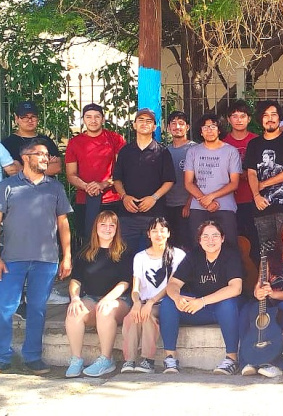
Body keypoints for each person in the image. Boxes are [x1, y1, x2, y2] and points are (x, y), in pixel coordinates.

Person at [0, 138, 72, 375]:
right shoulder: (7, 186)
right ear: (25, 158)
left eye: (47, 155)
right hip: (12, 258)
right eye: (40, 154)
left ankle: (33, 357)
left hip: (46, 260)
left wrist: (67, 256)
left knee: (38, 309)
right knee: (5, 308)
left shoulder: (55, 187)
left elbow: (63, 224)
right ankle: (3, 356)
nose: (46, 158)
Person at [160, 220, 243, 375]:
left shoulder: (230, 255)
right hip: (198, 308)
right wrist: (178, 298)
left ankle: (231, 359)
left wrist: (202, 301)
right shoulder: (194, 255)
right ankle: (170, 359)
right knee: (168, 303)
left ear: (222, 238)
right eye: (205, 236)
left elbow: (236, 288)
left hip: (220, 310)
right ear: (199, 240)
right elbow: (173, 284)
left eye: (215, 236)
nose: (210, 240)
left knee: (228, 304)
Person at [64, 211, 132, 378]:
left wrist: (108, 298)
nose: (107, 229)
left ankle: (106, 359)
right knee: (74, 312)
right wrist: (75, 298)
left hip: (119, 300)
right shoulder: (85, 252)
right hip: (92, 298)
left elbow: (125, 282)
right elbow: (76, 281)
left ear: (117, 229)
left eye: (112, 225)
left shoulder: (124, 251)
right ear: (96, 227)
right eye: (103, 224)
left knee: (105, 309)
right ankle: (76, 359)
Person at [239, 216, 283, 377]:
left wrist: (274, 293)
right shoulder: (270, 257)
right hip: (268, 300)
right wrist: (258, 291)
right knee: (246, 310)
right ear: (281, 234)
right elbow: (259, 283)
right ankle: (246, 360)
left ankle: (278, 364)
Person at [121, 217, 186, 374]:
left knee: (147, 315)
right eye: (154, 230)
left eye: (162, 230)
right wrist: (136, 302)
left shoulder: (178, 255)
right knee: (131, 317)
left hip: (165, 304)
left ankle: (147, 360)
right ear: (148, 234)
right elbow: (135, 287)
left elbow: (172, 285)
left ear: (169, 233)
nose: (159, 234)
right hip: (143, 302)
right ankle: (129, 359)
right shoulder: (140, 257)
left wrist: (151, 302)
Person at [113, 108, 176, 253]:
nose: (144, 124)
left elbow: (169, 180)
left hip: (155, 214)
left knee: (156, 255)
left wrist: (154, 198)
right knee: (125, 256)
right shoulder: (125, 151)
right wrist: (124, 197)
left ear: (154, 127)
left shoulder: (162, 151)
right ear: (134, 125)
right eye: (140, 120)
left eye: (149, 121)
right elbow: (117, 179)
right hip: (128, 214)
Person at [65, 103, 126, 243]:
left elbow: (122, 170)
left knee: (113, 241)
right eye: (88, 117)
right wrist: (87, 186)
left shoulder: (116, 139)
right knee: (88, 242)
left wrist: (103, 184)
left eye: (97, 117)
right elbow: (71, 174)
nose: (93, 120)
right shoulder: (75, 142)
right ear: (83, 120)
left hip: (111, 199)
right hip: (85, 199)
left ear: (103, 119)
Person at [246, 100, 283, 251]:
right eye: (265, 115)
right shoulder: (254, 144)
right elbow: (251, 172)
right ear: (260, 119)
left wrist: (263, 184)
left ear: (279, 117)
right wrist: (256, 195)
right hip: (261, 206)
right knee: (266, 250)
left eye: (274, 114)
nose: (270, 118)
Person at [184, 113, 241, 247]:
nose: (209, 130)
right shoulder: (193, 152)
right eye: (205, 127)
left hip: (225, 207)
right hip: (198, 208)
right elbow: (188, 182)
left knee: (229, 247)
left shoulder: (231, 151)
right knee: (198, 247)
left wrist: (211, 197)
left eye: (213, 126)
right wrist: (205, 201)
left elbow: (234, 183)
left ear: (219, 130)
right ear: (201, 132)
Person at [223, 100, 260, 260]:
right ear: (228, 119)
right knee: (231, 244)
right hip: (229, 201)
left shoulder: (258, 141)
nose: (239, 119)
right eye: (235, 116)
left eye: (242, 116)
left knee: (255, 243)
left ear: (249, 119)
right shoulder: (222, 143)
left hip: (253, 199)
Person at [164, 111, 197, 250]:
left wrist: (189, 203)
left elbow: (199, 180)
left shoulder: (195, 149)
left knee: (188, 246)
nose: (177, 126)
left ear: (187, 127)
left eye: (181, 123)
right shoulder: (164, 151)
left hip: (187, 207)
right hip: (167, 206)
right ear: (168, 128)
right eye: (173, 123)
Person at [2, 100, 61, 176]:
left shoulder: (46, 141)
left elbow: (56, 168)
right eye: (24, 117)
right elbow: (12, 170)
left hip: (44, 186)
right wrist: (43, 167)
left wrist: (22, 169)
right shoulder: (7, 143)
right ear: (16, 118)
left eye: (33, 116)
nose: (30, 120)